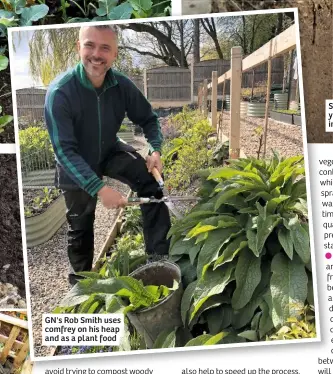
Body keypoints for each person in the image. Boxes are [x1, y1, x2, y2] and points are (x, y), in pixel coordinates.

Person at [44, 25, 171, 285]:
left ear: (115, 54)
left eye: (105, 48)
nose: (96, 54)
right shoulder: (60, 93)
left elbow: (148, 119)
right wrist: (101, 189)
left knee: (151, 185)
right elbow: (65, 151)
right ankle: (80, 287)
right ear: (78, 47)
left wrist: (155, 149)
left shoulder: (121, 85)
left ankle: (159, 260)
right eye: (90, 45)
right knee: (80, 227)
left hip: (109, 150)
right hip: (75, 164)